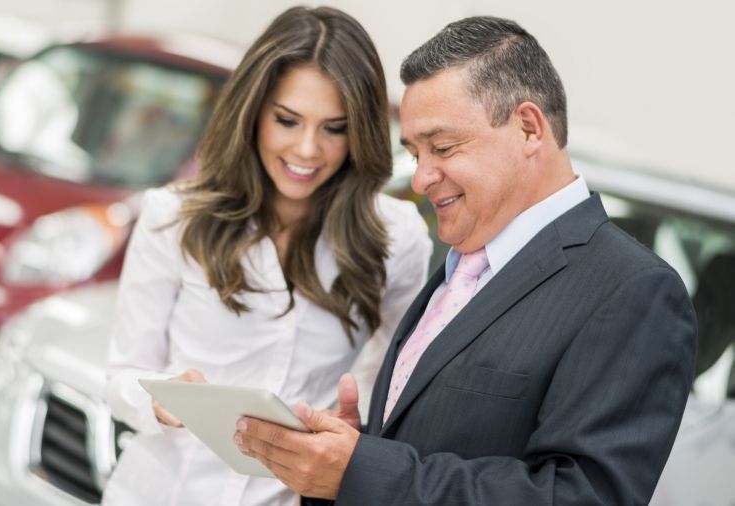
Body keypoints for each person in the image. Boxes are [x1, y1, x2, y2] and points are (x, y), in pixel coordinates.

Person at [236, 15, 697, 505]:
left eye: (443, 147)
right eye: (416, 154)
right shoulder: (462, 265)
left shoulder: (634, 290)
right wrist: (349, 452)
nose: (420, 178)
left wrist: (363, 469)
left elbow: (580, 497)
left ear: (528, 128)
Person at [102, 6, 433, 506]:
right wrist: (163, 395)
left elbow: (387, 382)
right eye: (287, 120)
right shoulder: (172, 216)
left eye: (334, 128)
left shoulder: (396, 235)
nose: (307, 150)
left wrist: (350, 436)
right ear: (252, 110)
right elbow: (120, 377)